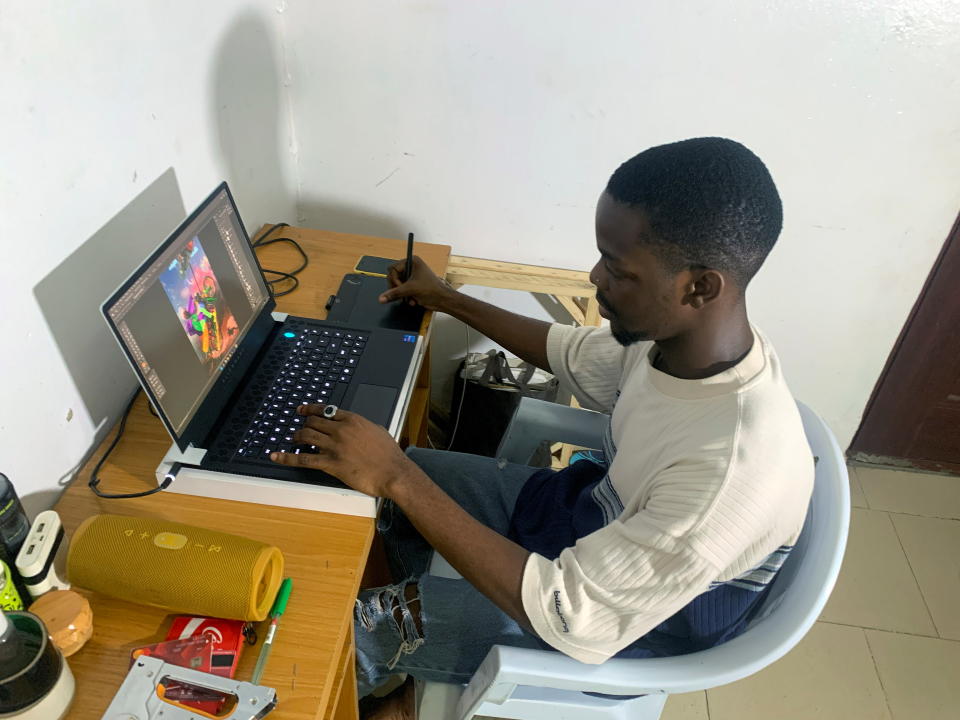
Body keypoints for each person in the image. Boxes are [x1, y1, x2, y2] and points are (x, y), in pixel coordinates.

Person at [271, 137, 814, 720]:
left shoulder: (728, 475)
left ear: (700, 287)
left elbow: (571, 615)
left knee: (349, 625)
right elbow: (572, 352)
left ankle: (384, 666)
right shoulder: (679, 346)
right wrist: (446, 299)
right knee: (373, 475)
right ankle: (410, 671)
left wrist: (399, 476)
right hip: (588, 519)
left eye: (619, 270)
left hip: (621, 626)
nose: (594, 277)